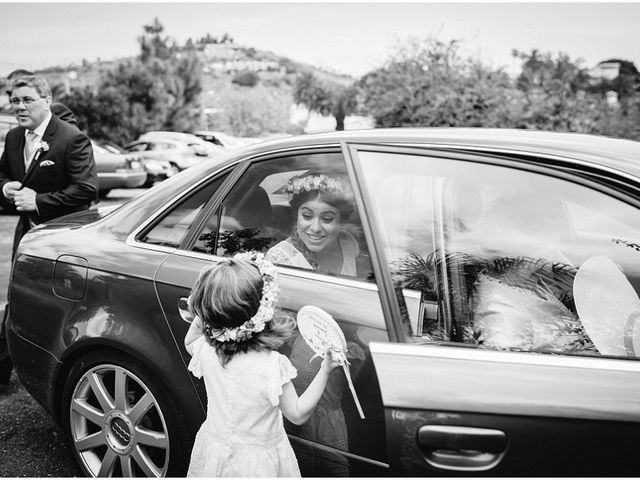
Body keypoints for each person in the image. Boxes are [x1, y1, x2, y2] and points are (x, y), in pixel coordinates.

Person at [184, 251, 340, 477]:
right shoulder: (271, 366)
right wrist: (325, 371)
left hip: (215, 451)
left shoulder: (207, 352)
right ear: (261, 310)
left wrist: (207, 312)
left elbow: (190, 339)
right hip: (258, 465)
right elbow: (297, 413)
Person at [0, 74, 98, 388]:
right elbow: (1, 172)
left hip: (64, 239)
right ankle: (4, 375)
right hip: (25, 236)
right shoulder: (14, 138)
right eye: (15, 100)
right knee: (18, 300)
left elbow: (86, 189)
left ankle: (60, 373)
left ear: (47, 100)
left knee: (61, 308)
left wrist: (38, 201)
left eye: (27, 99)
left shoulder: (71, 138)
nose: (19, 106)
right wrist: (6, 187)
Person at [266, 172, 362, 276]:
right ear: (297, 215)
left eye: (327, 218)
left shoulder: (347, 241)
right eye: (307, 216)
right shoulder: (280, 258)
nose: (315, 228)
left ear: (341, 220)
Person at [5, 69, 78, 126]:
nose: (11, 97)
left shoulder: (56, 111)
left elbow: (71, 140)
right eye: (9, 93)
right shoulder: (15, 131)